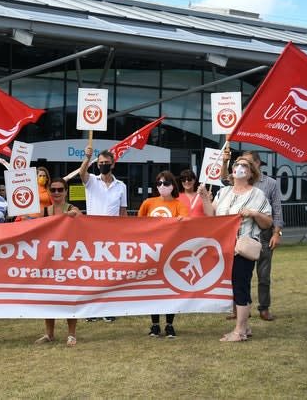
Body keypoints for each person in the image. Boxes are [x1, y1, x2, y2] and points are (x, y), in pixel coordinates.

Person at [198, 157, 272, 342]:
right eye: (237, 164)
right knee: (236, 286)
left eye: (244, 165)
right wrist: (204, 198)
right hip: (225, 247)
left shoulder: (257, 194)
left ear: (251, 172)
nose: (239, 167)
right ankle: (245, 327)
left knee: (240, 286)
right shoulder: (223, 192)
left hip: (243, 248)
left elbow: (267, 223)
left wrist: (254, 213)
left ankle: (239, 331)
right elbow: (211, 215)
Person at [79, 146, 127, 322]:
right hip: (92, 234)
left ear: (113, 164)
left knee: (109, 273)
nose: (104, 165)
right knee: (92, 273)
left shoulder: (121, 186)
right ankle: (91, 310)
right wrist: (87, 158)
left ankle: (107, 309)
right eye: (100, 163)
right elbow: (82, 173)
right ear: (97, 165)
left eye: (107, 163)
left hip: (113, 236)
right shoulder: (91, 180)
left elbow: (123, 212)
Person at [138, 171, 188, 338]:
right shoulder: (148, 202)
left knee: (169, 289)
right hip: (151, 252)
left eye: (166, 184)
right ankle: (154, 325)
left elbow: (186, 221)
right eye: (159, 184)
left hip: (170, 252)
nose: (162, 187)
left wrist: (181, 222)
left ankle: (169, 324)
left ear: (173, 186)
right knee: (153, 289)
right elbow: (138, 224)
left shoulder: (178, 204)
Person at [34, 178, 81, 346]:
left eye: (60, 189)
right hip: (49, 261)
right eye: (53, 190)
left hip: (68, 260)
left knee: (70, 297)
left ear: (66, 191)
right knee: (48, 296)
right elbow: (32, 226)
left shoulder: (71, 209)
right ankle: (49, 334)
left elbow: (82, 219)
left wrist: (72, 216)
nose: (56, 193)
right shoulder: (45, 211)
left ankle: (71, 334)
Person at [241, 151, 283, 321]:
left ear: (257, 163)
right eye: (242, 164)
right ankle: (244, 307)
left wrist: (277, 233)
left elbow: (277, 209)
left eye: (247, 163)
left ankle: (264, 308)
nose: (244, 167)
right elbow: (223, 181)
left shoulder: (270, 183)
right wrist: (224, 161)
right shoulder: (242, 183)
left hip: (265, 234)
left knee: (263, 275)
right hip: (246, 234)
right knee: (243, 274)